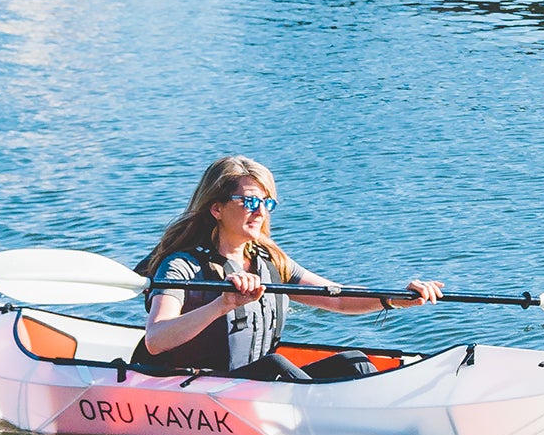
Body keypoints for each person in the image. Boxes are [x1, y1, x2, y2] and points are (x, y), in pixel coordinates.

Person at [130, 155, 441, 382]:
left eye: (267, 203)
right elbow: (157, 339)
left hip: (254, 385)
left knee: (356, 363)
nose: (261, 212)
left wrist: (394, 299)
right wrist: (221, 304)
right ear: (217, 209)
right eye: (250, 202)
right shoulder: (180, 266)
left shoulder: (270, 260)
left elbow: (336, 298)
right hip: (198, 387)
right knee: (276, 366)